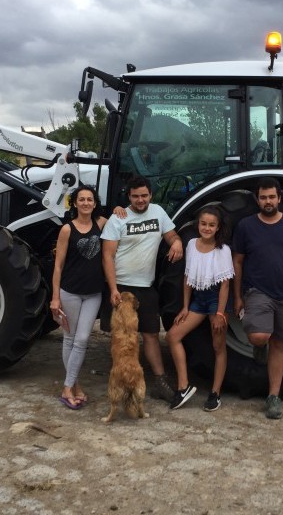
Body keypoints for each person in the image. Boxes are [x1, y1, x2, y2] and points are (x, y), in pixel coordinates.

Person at [232, 177, 283, 420]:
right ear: (257, 200)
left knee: (278, 344)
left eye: (271, 197)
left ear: (279, 198)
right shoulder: (246, 226)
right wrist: (237, 296)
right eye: (263, 197)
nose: (267, 201)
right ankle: (258, 346)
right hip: (258, 291)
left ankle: (273, 397)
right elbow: (237, 261)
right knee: (260, 336)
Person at [101, 175, 183, 403]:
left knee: (151, 335)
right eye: (135, 196)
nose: (140, 200)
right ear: (129, 196)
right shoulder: (118, 219)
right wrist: (113, 289)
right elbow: (107, 255)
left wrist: (176, 242)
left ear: (150, 195)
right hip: (123, 288)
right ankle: (121, 382)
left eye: (144, 195)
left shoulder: (158, 212)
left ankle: (159, 381)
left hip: (146, 287)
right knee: (121, 338)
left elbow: (171, 235)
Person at [166, 205, 234, 411]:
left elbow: (225, 285)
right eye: (203, 224)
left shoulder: (223, 250)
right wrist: (185, 307)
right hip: (198, 299)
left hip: (216, 301)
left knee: (218, 346)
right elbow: (188, 277)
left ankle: (215, 393)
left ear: (217, 227)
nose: (206, 228)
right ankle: (183, 386)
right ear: (198, 225)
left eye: (211, 225)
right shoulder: (191, 244)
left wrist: (221, 313)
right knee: (172, 336)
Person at [50, 185, 108, 410]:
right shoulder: (67, 230)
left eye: (89, 199)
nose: (85, 203)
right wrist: (55, 298)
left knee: (82, 339)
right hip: (70, 292)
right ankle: (71, 387)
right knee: (70, 338)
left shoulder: (101, 224)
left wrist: (122, 208)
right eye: (81, 199)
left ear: (95, 203)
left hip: (93, 293)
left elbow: (121, 217)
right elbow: (58, 266)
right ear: (75, 203)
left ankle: (69, 385)